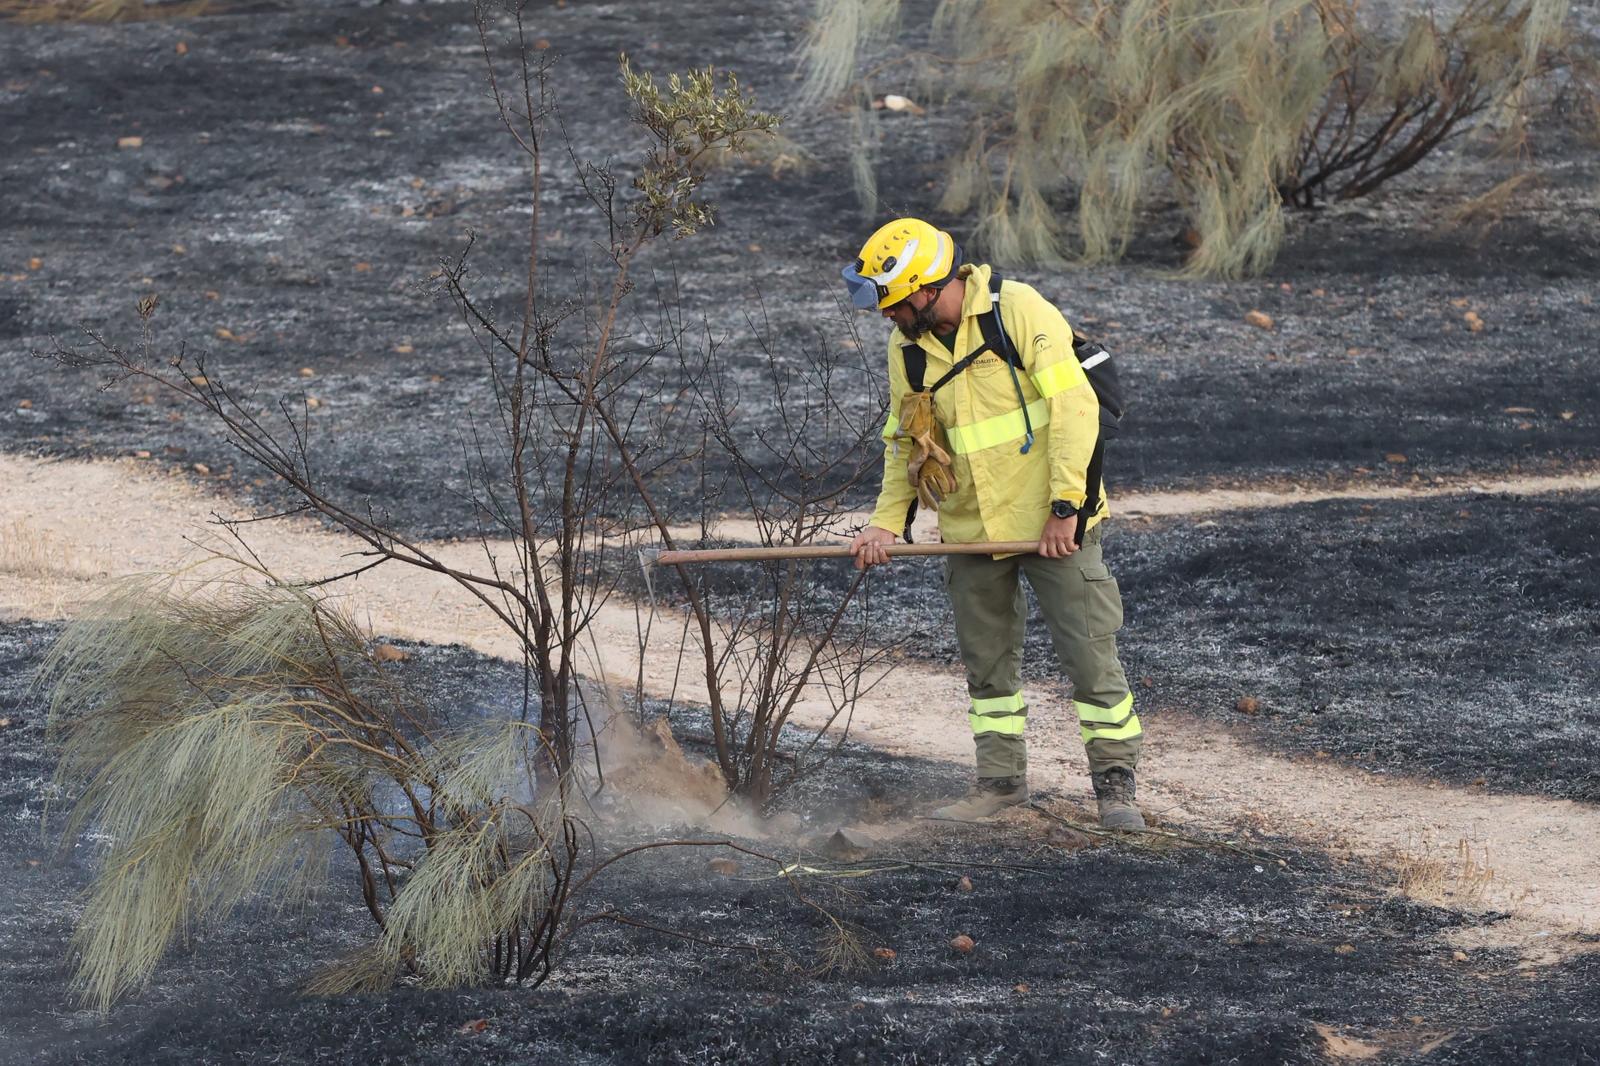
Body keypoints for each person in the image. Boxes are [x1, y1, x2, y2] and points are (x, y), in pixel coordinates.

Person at [843, 217, 1145, 829]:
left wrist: (1067, 508)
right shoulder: (908, 348)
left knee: (1090, 657)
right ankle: (1000, 783)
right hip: (970, 530)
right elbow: (906, 439)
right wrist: (884, 525)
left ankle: (1115, 787)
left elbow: (1074, 409)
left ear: (927, 288)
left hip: (1051, 526)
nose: (886, 315)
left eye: (893, 302)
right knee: (987, 667)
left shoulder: (1019, 310)